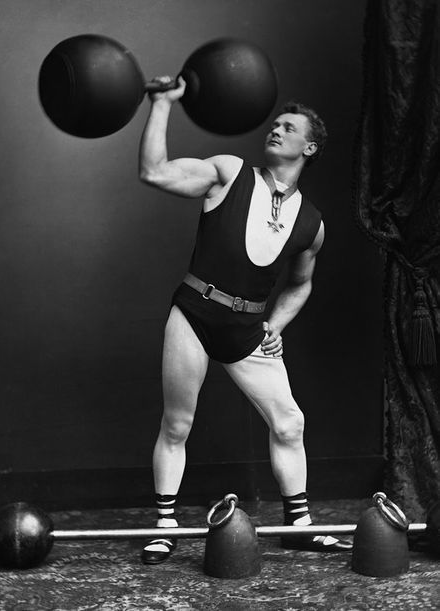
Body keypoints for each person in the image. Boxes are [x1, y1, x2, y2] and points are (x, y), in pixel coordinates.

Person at [138, 76, 352, 564]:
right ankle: (164, 526)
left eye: (289, 127)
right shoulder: (229, 173)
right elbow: (153, 172)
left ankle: (298, 526)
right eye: (274, 124)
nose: (276, 129)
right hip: (194, 313)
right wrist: (162, 104)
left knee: (289, 423)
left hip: (247, 330)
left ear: (310, 146)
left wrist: (276, 324)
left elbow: (300, 284)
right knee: (177, 424)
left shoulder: (312, 223)